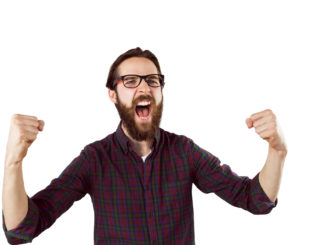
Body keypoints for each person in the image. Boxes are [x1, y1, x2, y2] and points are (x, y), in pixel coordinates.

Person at [2, 47, 287, 244]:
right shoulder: (95, 160)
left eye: (152, 80)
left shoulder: (184, 152)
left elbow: (256, 200)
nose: (144, 88)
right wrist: (12, 163)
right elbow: (22, 231)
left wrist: (277, 150)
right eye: (130, 81)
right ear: (113, 94)